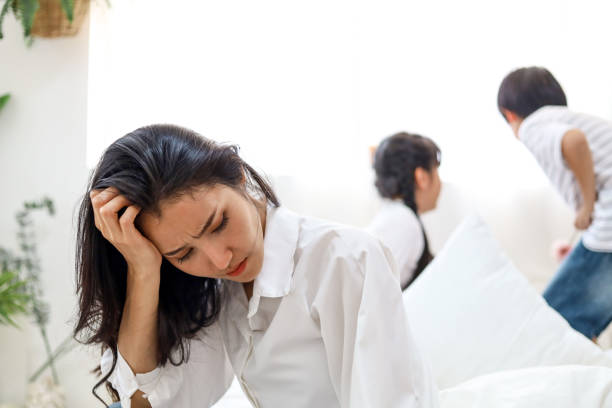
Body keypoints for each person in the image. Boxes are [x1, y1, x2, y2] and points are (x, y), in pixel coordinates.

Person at [73, 124, 438, 407]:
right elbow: (149, 402)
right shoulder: (221, 293)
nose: (219, 260)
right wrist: (143, 271)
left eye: (219, 223)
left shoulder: (344, 259)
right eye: (184, 254)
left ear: (241, 178)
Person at [497, 66, 612, 341]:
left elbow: (573, 141)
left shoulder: (532, 127)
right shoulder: (569, 118)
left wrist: (586, 207)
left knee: (551, 320)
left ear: (509, 115)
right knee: (573, 313)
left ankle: (577, 370)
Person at [367, 132, 442, 290]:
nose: (440, 184)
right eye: (436, 172)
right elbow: (376, 293)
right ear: (421, 177)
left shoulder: (395, 216)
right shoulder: (403, 223)